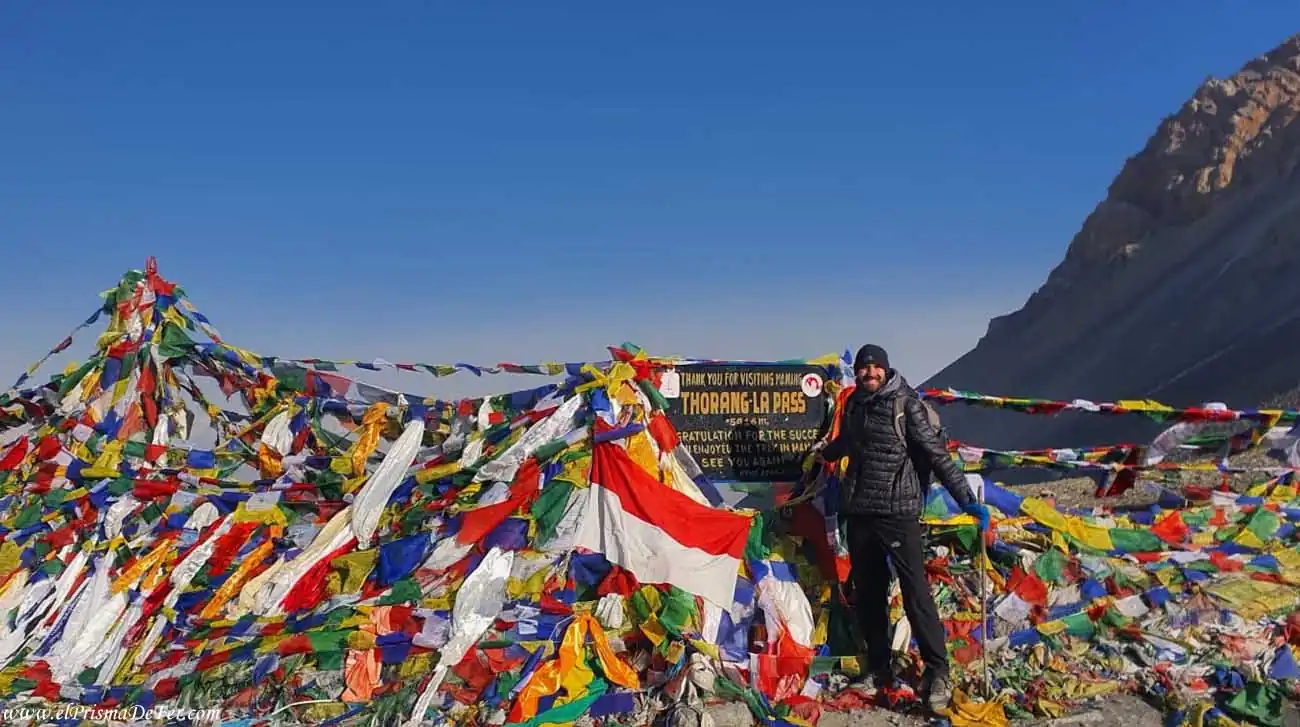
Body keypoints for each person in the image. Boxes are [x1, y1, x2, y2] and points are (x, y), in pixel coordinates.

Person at [813, 344, 989, 711]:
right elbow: (849, 442)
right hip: (860, 514)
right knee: (870, 595)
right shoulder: (857, 405)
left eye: (876, 368)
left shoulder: (906, 405)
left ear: (887, 370)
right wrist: (824, 453)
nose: (869, 374)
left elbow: (937, 456)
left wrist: (966, 500)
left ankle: (938, 671)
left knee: (915, 594)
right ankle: (880, 668)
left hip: (899, 514)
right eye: (864, 369)